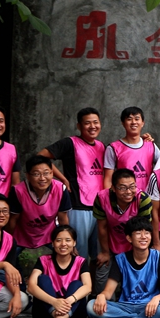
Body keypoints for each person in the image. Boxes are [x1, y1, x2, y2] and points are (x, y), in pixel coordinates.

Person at [87, 216, 160, 318]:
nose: (143, 237)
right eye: (138, 233)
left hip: (150, 305)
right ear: (129, 238)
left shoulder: (159, 257)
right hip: (125, 306)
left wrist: (156, 298)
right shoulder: (120, 260)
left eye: (147, 233)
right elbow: (108, 291)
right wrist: (102, 295)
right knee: (91, 306)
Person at [38, 107, 105, 263]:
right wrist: (62, 178)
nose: (92, 126)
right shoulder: (70, 143)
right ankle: (77, 279)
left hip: (99, 207)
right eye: (87, 123)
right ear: (79, 126)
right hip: (78, 206)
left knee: (99, 255)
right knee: (78, 252)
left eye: (95, 122)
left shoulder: (101, 146)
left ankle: (93, 280)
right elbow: (41, 156)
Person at [27, 225, 92, 318]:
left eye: (68, 240)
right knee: (42, 279)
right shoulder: (43, 260)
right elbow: (31, 286)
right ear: (52, 243)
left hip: (74, 315)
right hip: (45, 314)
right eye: (58, 240)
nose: (63, 244)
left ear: (74, 243)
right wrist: (54, 302)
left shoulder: (80, 262)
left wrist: (69, 301)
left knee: (77, 284)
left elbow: (88, 287)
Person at [92, 168, 152, 293]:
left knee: (133, 280)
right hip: (110, 240)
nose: (128, 192)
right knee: (102, 273)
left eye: (132, 187)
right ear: (113, 188)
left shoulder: (143, 199)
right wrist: (105, 252)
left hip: (134, 243)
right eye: (123, 188)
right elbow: (102, 227)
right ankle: (102, 300)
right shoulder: (102, 198)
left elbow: (144, 230)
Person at [8, 155, 72, 251]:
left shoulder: (61, 189)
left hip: (49, 232)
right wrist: (7, 241)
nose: (42, 178)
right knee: (8, 255)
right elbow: (13, 220)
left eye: (46, 173)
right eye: (36, 174)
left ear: (52, 173)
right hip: (22, 233)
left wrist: (67, 241)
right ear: (28, 176)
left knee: (67, 253)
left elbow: (62, 218)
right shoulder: (18, 191)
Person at [103, 106, 160, 192]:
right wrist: (108, 197)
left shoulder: (151, 145)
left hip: (148, 197)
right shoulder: (113, 148)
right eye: (129, 119)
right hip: (124, 196)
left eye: (137, 119)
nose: (133, 122)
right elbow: (108, 179)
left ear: (142, 123)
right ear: (123, 123)